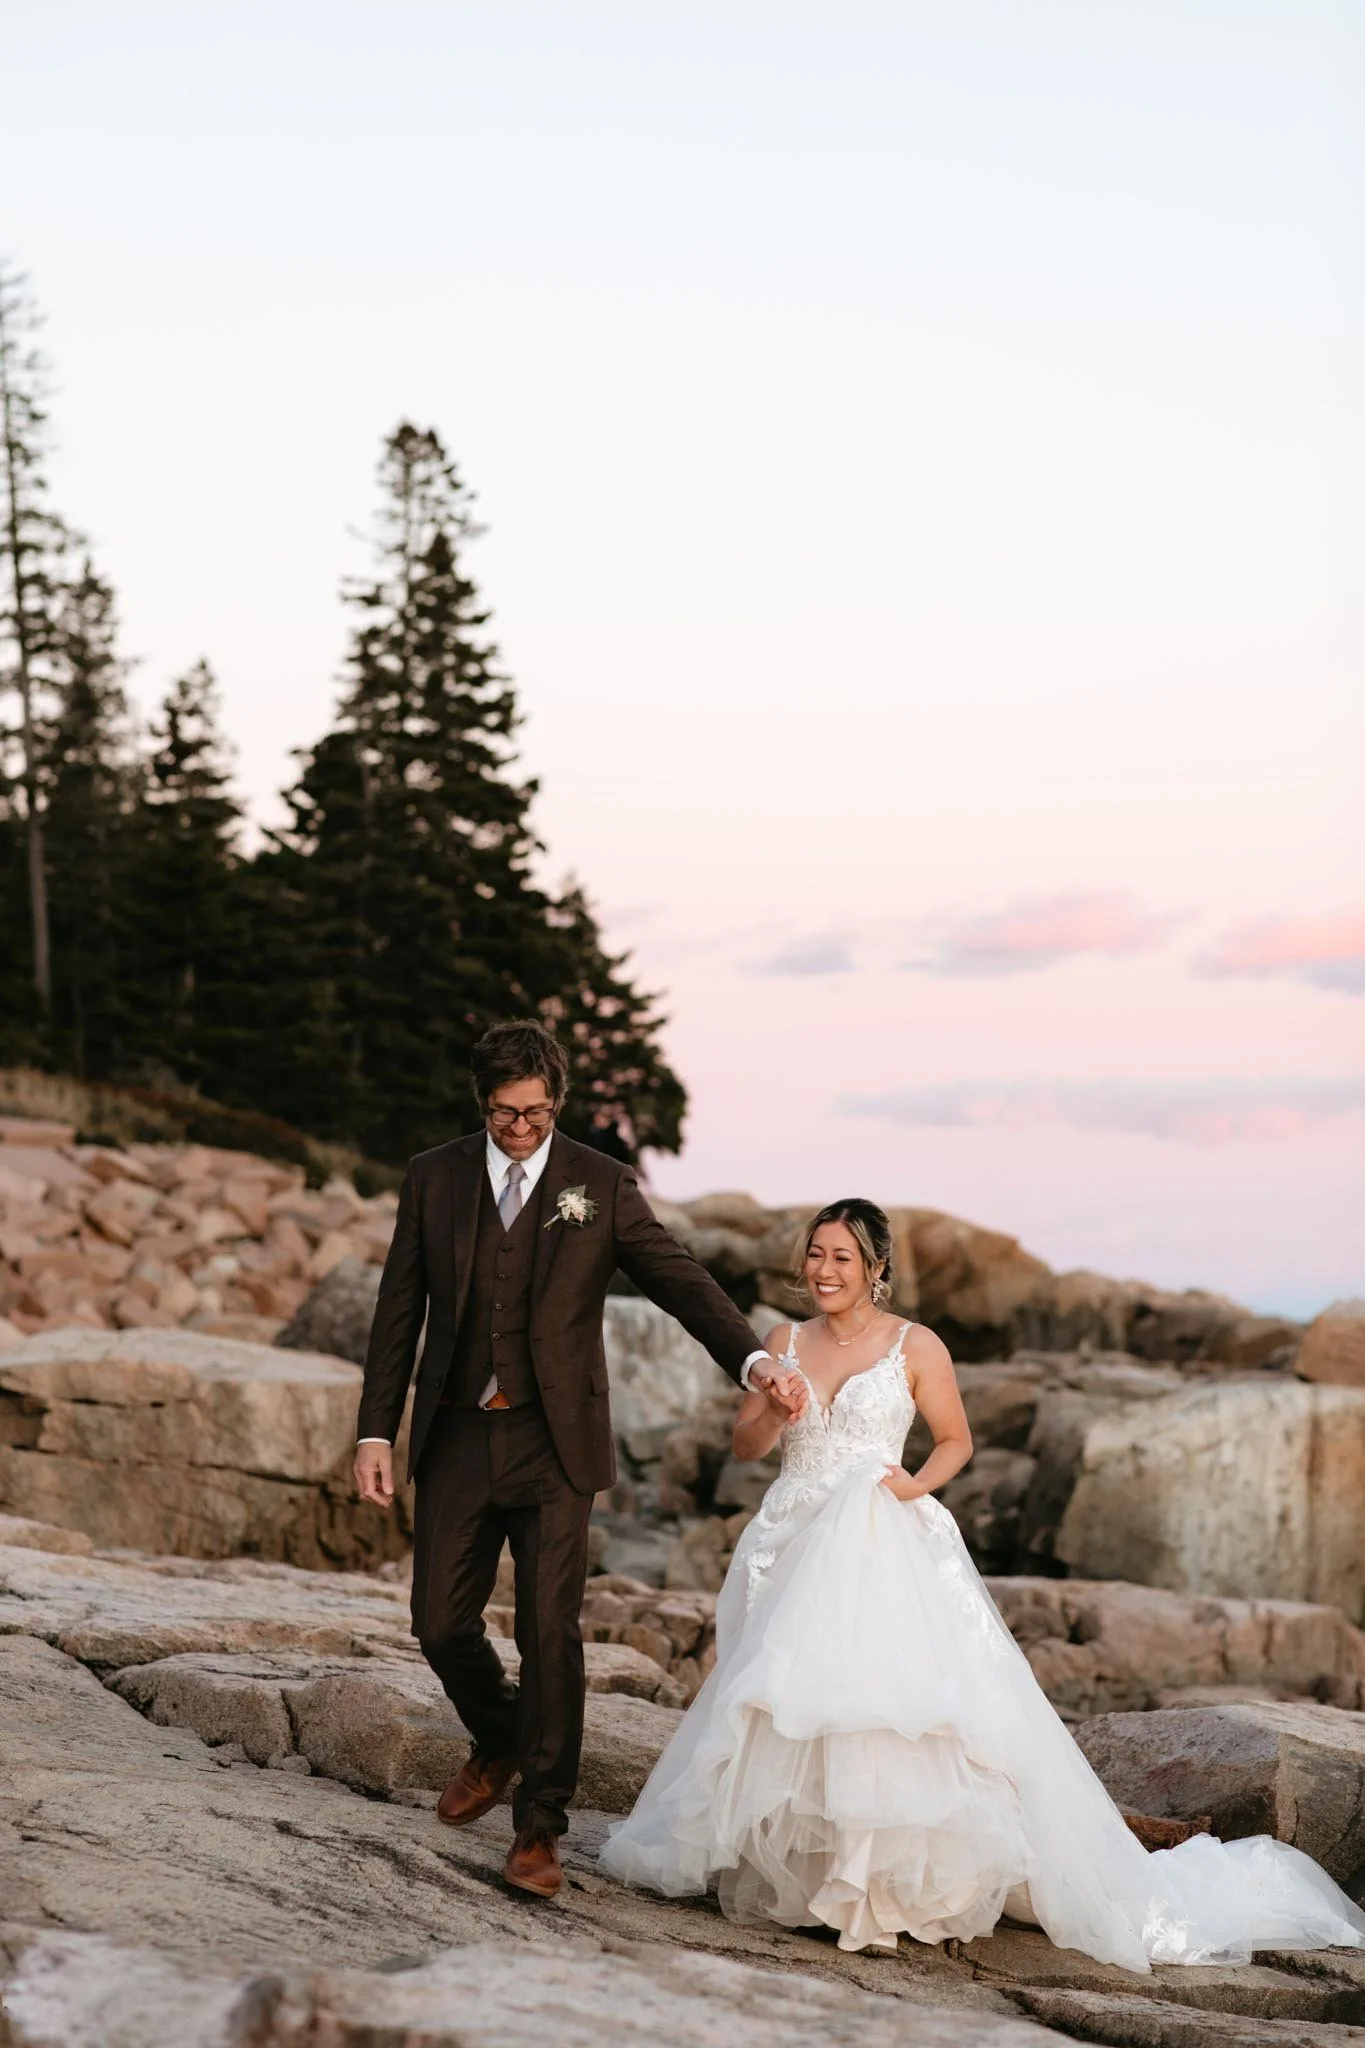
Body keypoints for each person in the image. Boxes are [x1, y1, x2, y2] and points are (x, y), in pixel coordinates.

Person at [600, 1198, 1365, 1968]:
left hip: (876, 1534)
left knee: (882, 1706)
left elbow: (956, 1440)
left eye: (841, 1258)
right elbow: (746, 1442)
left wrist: (909, 1487)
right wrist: (770, 1405)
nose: (823, 1270)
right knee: (789, 1702)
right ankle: (804, 1871)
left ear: (876, 1270)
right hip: (790, 1536)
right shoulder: (780, 1341)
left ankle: (875, 1886)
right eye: (815, 1254)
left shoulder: (915, 1345)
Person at [352, 1019, 806, 1902]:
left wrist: (753, 1361)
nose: (519, 1128)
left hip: (556, 1443)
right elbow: (396, 1313)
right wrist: (376, 1431)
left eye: (534, 1112)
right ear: (480, 1101)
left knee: (547, 1631)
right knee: (438, 1624)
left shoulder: (598, 1183)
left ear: (556, 1099)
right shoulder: (433, 1178)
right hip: (453, 1432)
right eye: (501, 1113)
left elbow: (679, 1280)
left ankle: (540, 1827)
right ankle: (503, 1737)